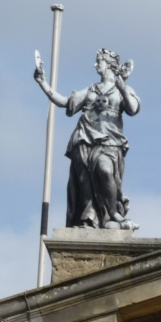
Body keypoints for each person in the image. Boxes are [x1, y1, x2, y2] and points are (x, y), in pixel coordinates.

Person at [34, 48, 140, 230]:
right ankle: (88, 222)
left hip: (109, 142)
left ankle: (113, 213)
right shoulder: (91, 90)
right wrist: (43, 83)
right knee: (84, 186)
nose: (95, 64)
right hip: (83, 140)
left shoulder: (122, 89)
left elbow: (132, 108)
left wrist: (122, 87)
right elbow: (65, 102)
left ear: (109, 64)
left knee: (105, 170)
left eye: (99, 60)